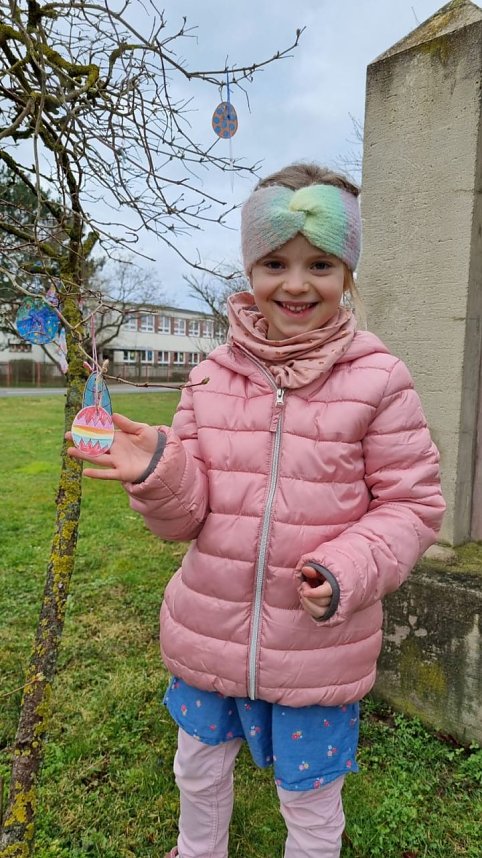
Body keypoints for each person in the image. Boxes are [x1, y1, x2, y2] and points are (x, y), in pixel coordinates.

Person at [67, 163, 445, 858]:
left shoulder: (379, 378)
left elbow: (413, 504)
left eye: (320, 264)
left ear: (348, 273)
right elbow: (186, 516)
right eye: (275, 262)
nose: (296, 284)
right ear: (250, 268)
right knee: (199, 771)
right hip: (208, 635)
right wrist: (160, 470)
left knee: (310, 797)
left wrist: (347, 568)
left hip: (316, 651)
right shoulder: (209, 375)